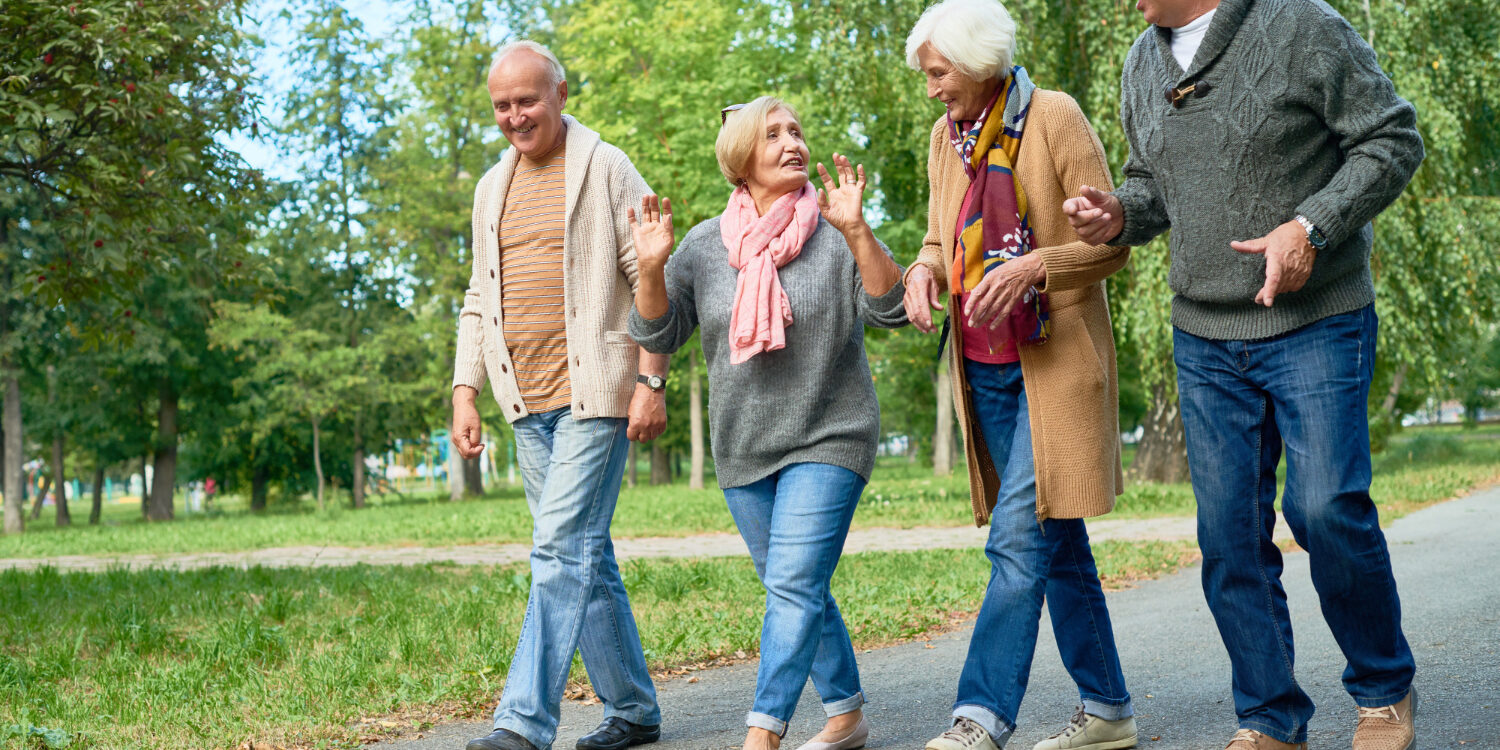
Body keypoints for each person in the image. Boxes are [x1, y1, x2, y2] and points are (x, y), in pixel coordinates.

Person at [1062, 0, 1424, 747]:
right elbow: (1153, 187)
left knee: (1324, 509)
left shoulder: (1304, 25)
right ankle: (1268, 716)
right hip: (1205, 333)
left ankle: (1384, 688)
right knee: (1228, 536)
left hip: (1316, 321)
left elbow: (1391, 139)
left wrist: (1310, 227)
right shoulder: (1142, 60)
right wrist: (1117, 215)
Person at [627, 96, 906, 750]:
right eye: (773, 134)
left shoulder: (838, 227)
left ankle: (763, 734)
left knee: (791, 583)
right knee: (799, 586)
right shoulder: (700, 246)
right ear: (740, 159)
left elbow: (890, 311)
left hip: (831, 435)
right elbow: (660, 330)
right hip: (745, 448)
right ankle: (846, 716)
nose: (792, 142)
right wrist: (647, 269)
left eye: (798, 131)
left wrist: (860, 233)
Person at [899, 1, 1138, 749]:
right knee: (1056, 545)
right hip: (987, 373)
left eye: (938, 73)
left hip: (1056, 367)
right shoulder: (947, 138)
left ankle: (980, 718)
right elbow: (941, 238)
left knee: (1015, 545)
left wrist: (1039, 264)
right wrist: (922, 269)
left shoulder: (1055, 117)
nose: (932, 89)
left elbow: (1114, 243)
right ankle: (1109, 711)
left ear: (977, 62)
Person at [451, 40, 671, 750]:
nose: (515, 116)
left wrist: (651, 380)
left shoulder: (605, 166)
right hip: (526, 403)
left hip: (594, 395)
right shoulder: (491, 187)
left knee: (557, 551)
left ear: (561, 94)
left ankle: (522, 723)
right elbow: (479, 297)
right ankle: (634, 710)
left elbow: (652, 275)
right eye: (502, 105)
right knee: (585, 555)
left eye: (527, 100)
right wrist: (465, 389)